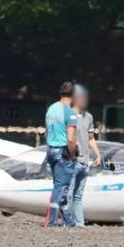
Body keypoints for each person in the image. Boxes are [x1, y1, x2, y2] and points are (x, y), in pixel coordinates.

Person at [43, 81, 78, 227]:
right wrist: (73, 154)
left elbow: (46, 131)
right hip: (62, 151)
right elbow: (70, 138)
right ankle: (51, 222)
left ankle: (69, 221)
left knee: (59, 185)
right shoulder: (70, 113)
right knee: (61, 187)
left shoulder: (51, 109)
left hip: (51, 150)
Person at [68, 84, 102, 227]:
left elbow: (91, 138)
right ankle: (69, 222)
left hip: (85, 162)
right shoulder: (68, 115)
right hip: (73, 160)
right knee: (69, 194)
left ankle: (79, 224)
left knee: (78, 195)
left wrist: (98, 155)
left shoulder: (89, 117)